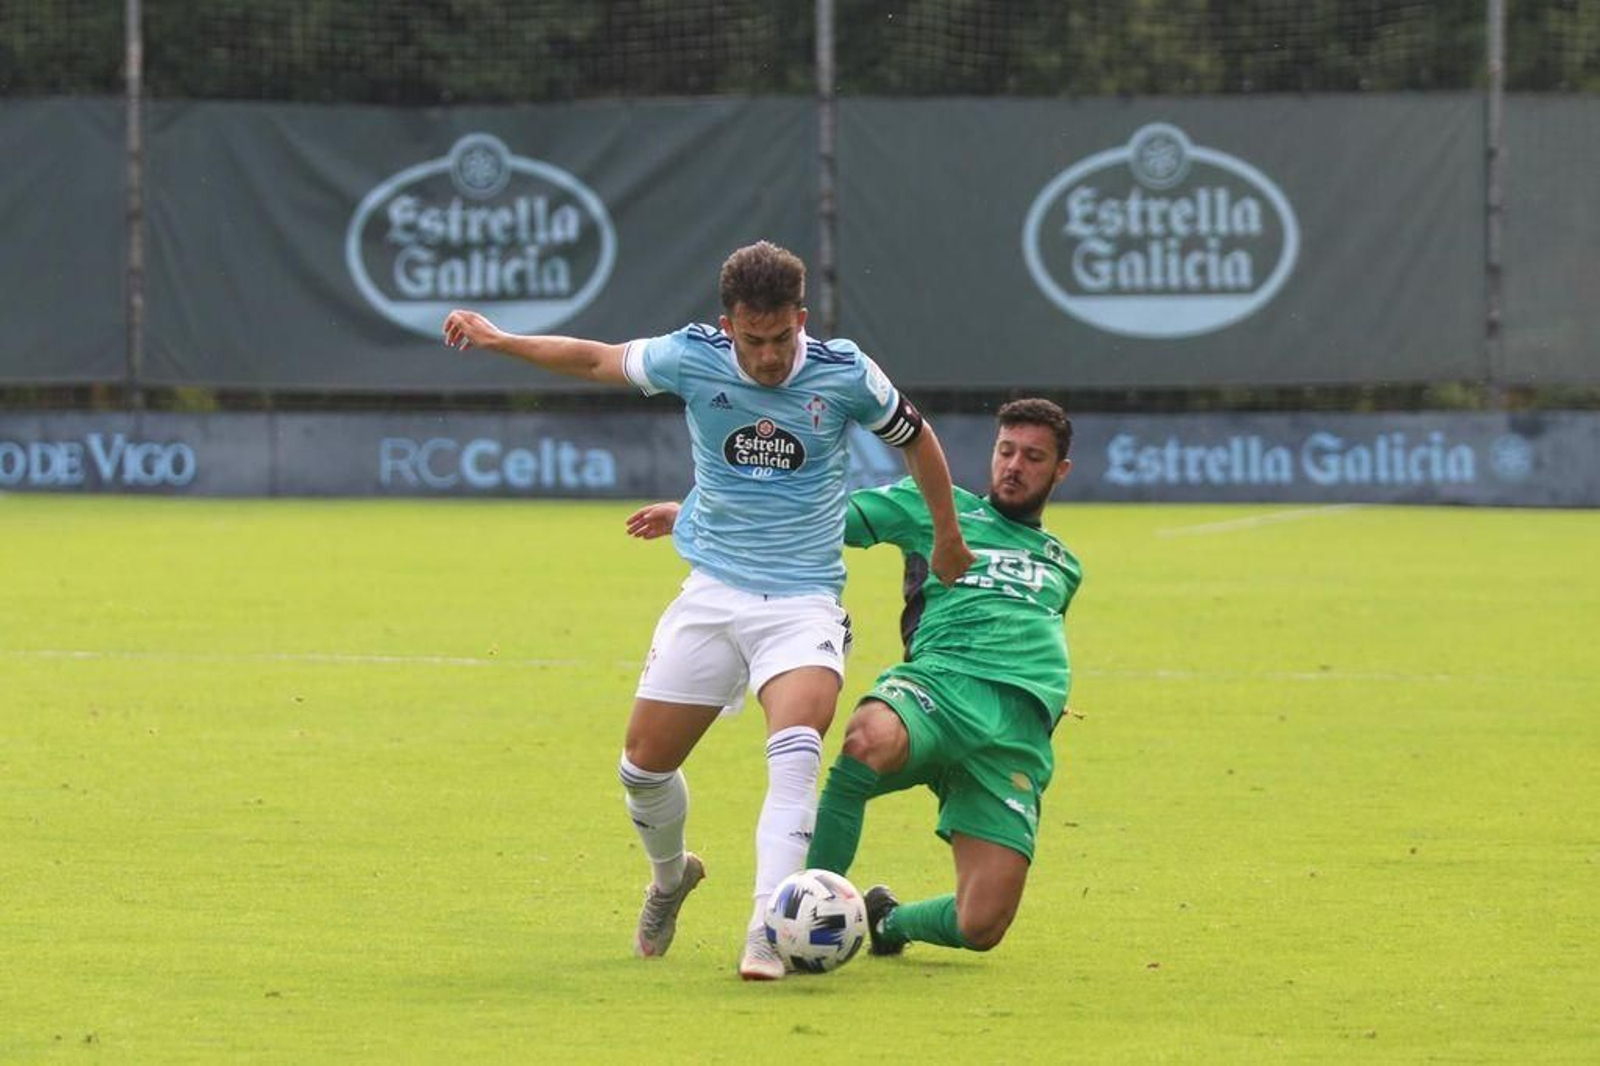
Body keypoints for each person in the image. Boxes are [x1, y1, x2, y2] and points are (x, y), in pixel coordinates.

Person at [443, 241, 973, 980]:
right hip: (713, 593)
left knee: (794, 753)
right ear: (727, 326)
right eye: (751, 340)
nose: (765, 356)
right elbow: (594, 359)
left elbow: (919, 442)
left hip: (803, 602)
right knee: (642, 770)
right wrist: (502, 341)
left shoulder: (845, 372)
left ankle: (767, 928)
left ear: (801, 319)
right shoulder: (690, 357)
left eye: (780, 338)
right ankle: (670, 878)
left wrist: (947, 535)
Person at [632, 398, 1082, 962]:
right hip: (939, 691)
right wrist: (696, 514)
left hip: (1016, 735)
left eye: (1034, 457)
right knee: (866, 737)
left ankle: (888, 922)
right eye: (1006, 450)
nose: (1014, 465)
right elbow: (817, 521)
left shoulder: (1064, 562)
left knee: (981, 925)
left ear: (1060, 470)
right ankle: (798, 918)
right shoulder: (934, 509)